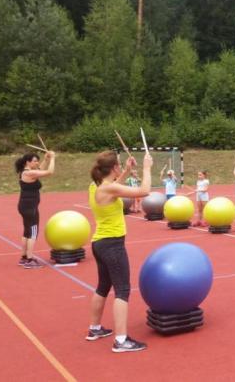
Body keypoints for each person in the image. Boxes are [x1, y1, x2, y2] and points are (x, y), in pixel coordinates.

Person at [87, 151, 153, 352]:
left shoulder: (96, 186)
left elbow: (115, 187)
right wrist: (147, 167)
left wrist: (125, 171)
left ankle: (95, 329)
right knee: (122, 290)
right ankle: (121, 340)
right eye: (119, 166)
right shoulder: (109, 188)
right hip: (112, 244)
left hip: (100, 243)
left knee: (103, 287)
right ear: (113, 168)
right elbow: (144, 191)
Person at [15, 151, 56, 268]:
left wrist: (46, 159)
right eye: (35, 161)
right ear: (28, 162)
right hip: (29, 208)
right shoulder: (29, 173)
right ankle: (30, 259)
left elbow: (40, 169)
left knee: (27, 232)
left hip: (26, 206)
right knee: (33, 233)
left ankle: (24, 257)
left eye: (37, 160)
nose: (37, 163)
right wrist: (53, 158)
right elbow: (49, 172)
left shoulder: (28, 172)